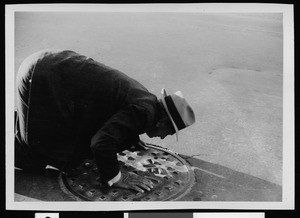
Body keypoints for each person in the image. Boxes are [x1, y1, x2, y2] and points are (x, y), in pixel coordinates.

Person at [14, 49, 196, 193]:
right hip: (42, 77)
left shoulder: (147, 101)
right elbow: (101, 142)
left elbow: (119, 114)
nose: (163, 138)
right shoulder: (144, 114)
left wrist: (130, 137)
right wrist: (117, 178)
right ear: (162, 120)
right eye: (169, 131)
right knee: (38, 153)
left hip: (50, 63)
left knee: (52, 140)